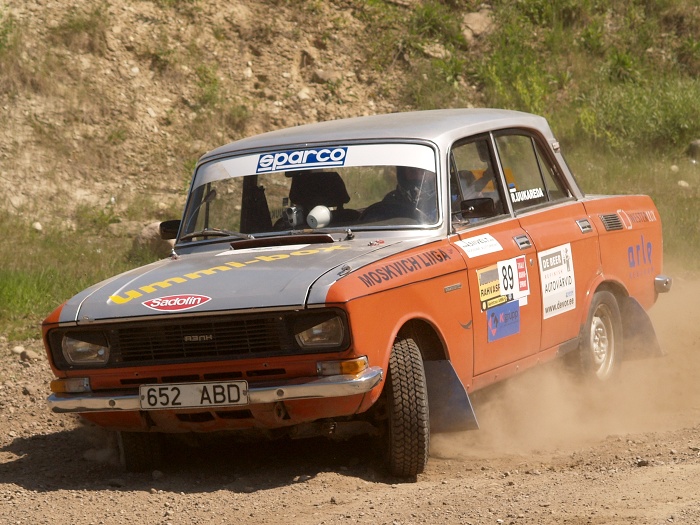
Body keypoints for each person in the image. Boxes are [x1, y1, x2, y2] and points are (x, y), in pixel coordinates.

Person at [360, 166, 438, 223]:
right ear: (403, 175)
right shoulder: (391, 200)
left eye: (423, 171)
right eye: (412, 171)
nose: (418, 176)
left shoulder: (442, 202)